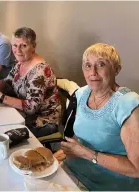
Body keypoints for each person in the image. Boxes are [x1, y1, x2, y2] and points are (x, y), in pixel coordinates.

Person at [55, 43, 139, 190]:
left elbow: (136, 168)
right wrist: (54, 158)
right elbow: (79, 139)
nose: (92, 72)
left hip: (106, 185)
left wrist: (87, 154)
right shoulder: (82, 94)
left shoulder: (127, 104)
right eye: (87, 65)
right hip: (72, 172)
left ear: (116, 70)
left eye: (101, 64)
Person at [0, 27, 61, 137]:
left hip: (43, 122)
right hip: (23, 114)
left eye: (23, 46)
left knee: (0, 133)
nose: (18, 50)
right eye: (15, 45)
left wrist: (1, 97)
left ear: (33, 46)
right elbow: (7, 83)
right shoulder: (20, 62)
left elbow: (31, 108)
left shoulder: (40, 71)